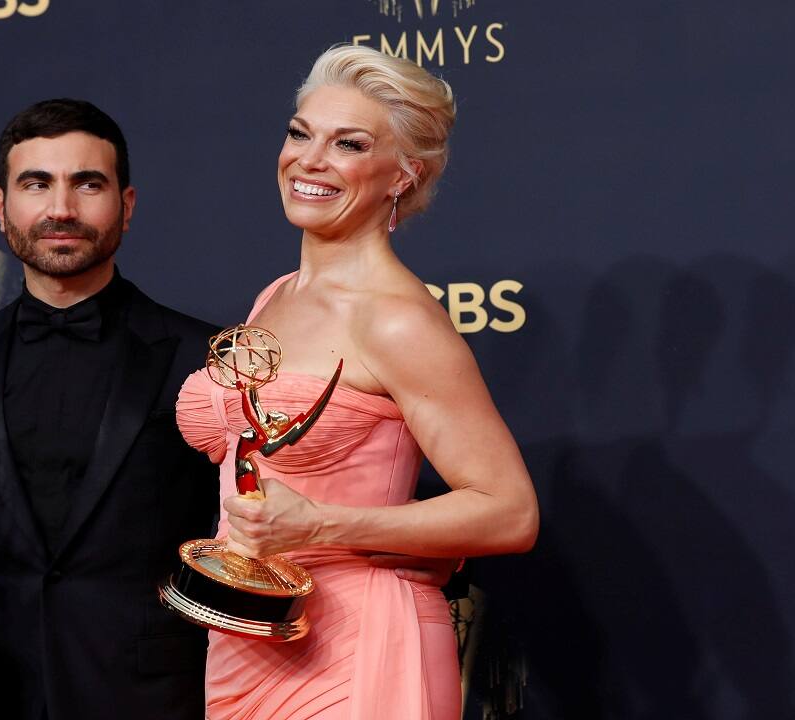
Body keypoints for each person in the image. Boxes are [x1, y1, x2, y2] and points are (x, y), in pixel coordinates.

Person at [176, 46, 539, 719]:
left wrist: (322, 525)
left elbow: (510, 511)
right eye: (299, 133)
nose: (309, 160)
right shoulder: (278, 294)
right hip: (251, 641)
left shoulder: (399, 321)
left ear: (403, 175)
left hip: (358, 648)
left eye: (349, 144)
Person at [0, 99, 222, 719]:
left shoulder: (203, 356)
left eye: (88, 184)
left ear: (126, 207)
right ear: (2, 208)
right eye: (37, 184)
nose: (61, 208)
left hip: (154, 697)